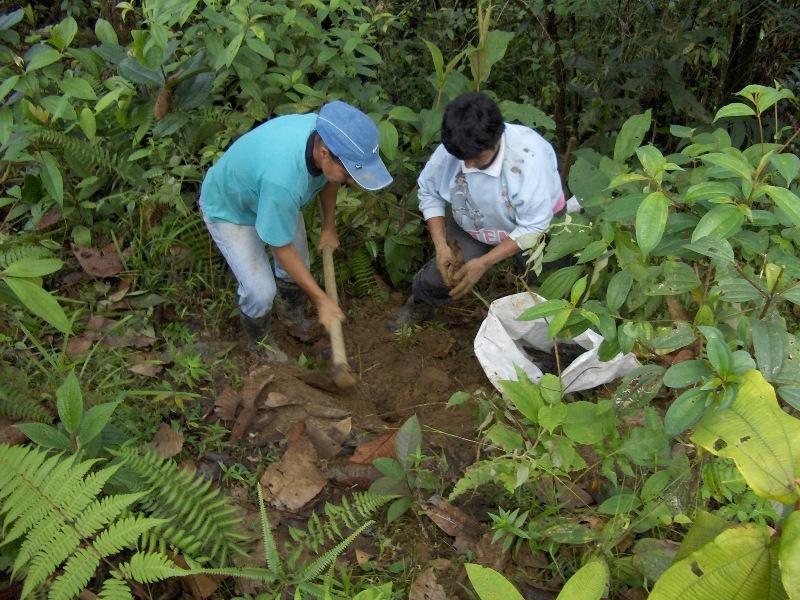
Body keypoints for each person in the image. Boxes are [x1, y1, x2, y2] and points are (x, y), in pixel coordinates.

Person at [199, 100, 392, 360]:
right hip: (230, 208)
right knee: (260, 292)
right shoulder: (284, 182)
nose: (350, 181)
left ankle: (291, 314)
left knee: (300, 262)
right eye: (349, 175)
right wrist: (322, 300)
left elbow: (330, 178)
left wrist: (328, 227)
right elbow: (282, 248)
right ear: (324, 152)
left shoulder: (326, 133)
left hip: (266, 193)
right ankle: (259, 343)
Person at [389, 92, 565, 327]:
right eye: (463, 158)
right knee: (439, 276)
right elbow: (429, 191)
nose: (468, 166)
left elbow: (534, 225)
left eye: (475, 158)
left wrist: (485, 262)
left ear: (496, 139)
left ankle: (555, 337)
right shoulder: (457, 146)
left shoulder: (528, 160)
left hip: (537, 228)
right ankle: (419, 306)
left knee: (553, 287)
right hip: (474, 224)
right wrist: (441, 246)